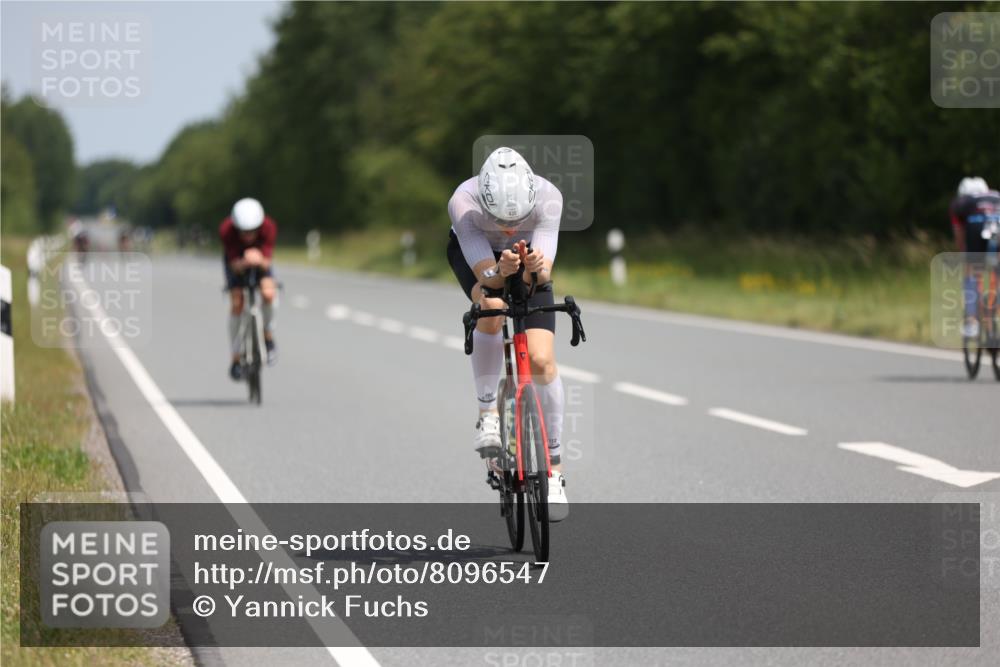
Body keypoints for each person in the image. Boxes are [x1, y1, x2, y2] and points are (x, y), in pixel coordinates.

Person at [447, 147, 570, 521]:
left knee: (541, 359)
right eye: (500, 219)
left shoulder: (549, 198)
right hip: (482, 260)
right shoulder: (464, 203)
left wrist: (535, 268)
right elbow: (488, 279)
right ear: (486, 204)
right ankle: (487, 413)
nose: (509, 228)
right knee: (493, 307)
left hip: (527, 257)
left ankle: (554, 468)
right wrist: (500, 271)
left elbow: (543, 276)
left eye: (517, 220)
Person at [219, 198, 278, 379]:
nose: (248, 236)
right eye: (243, 232)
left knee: (268, 292)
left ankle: (268, 336)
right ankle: (236, 357)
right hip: (236, 262)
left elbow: (267, 261)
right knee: (237, 302)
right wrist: (245, 262)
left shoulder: (268, 227)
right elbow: (234, 264)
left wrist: (258, 260)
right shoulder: (227, 230)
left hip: (260, 261)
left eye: (252, 231)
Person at [950, 177, 1000, 338]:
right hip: (997, 227)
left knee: (971, 270)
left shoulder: (961, 203)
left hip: (977, 227)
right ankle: (994, 306)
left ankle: (972, 321)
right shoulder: (996, 196)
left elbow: (959, 235)